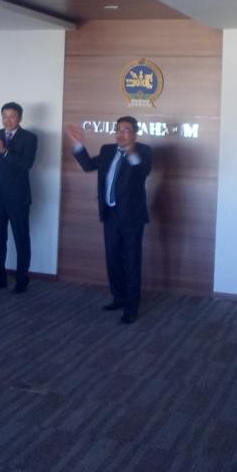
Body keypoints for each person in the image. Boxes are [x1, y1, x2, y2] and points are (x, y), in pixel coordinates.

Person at [67, 117, 153, 325]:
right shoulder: (107, 150)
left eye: (126, 130)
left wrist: (131, 152)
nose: (120, 134)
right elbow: (88, 165)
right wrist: (79, 145)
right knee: (113, 259)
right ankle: (118, 297)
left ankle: (131, 308)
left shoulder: (144, 151)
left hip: (132, 216)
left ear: (135, 133)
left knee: (132, 262)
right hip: (110, 214)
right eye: (118, 130)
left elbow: (142, 172)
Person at [0, 102, 38, 293]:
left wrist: (4, 151)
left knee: (21, 239)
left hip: (18, 197)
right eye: (4, 116)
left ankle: (22, 280)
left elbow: (26, 164)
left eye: (12, 116)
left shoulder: (29, 137)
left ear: (20, 118)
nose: (7, 120)